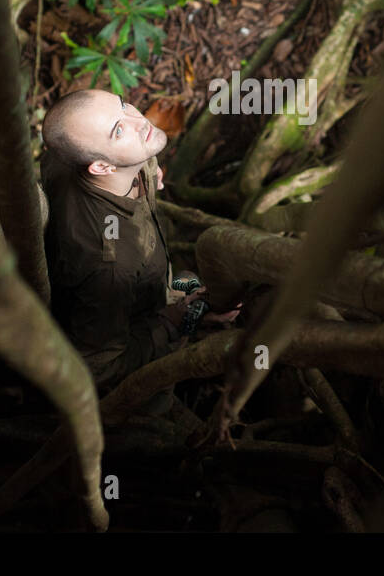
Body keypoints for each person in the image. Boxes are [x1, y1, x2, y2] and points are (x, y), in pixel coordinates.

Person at [39, 89, 240, 406]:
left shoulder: (81, 158)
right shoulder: (108, 268)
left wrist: (145, 171)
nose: (138, 119)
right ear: (101, 168)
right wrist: (172, 321)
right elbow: (99, 367)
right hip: (139, 330)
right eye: (118, 130)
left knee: (191, 281)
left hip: (153, 278)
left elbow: (59, 147)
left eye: (123, 104)